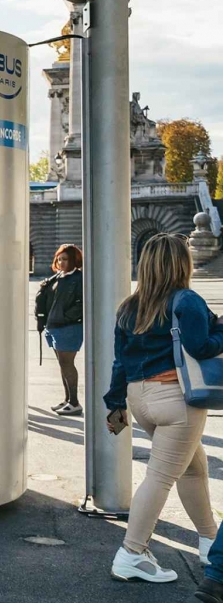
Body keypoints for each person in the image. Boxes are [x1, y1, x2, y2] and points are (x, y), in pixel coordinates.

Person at [103, 233, 222, 583]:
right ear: (182, 263)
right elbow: (201, 347)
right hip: (177, 401)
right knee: (161, 477)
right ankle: (131, 552)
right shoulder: (186, 300)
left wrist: (115, 405)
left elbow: (120, 362)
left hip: (141, 399)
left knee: (193, 468)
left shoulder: (129, 306)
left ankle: (209, 540)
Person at [35, 244, 84, 416]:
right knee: (63, 365)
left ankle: (74, 402)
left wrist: (66, 318)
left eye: (65, 259)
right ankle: (68, 399)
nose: (61, 262)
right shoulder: (57, 277)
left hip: (68, 327)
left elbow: (81, 304)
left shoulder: (78, 279)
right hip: (55, 326)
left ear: (74, 260)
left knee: (67, 363)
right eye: (59, 258)